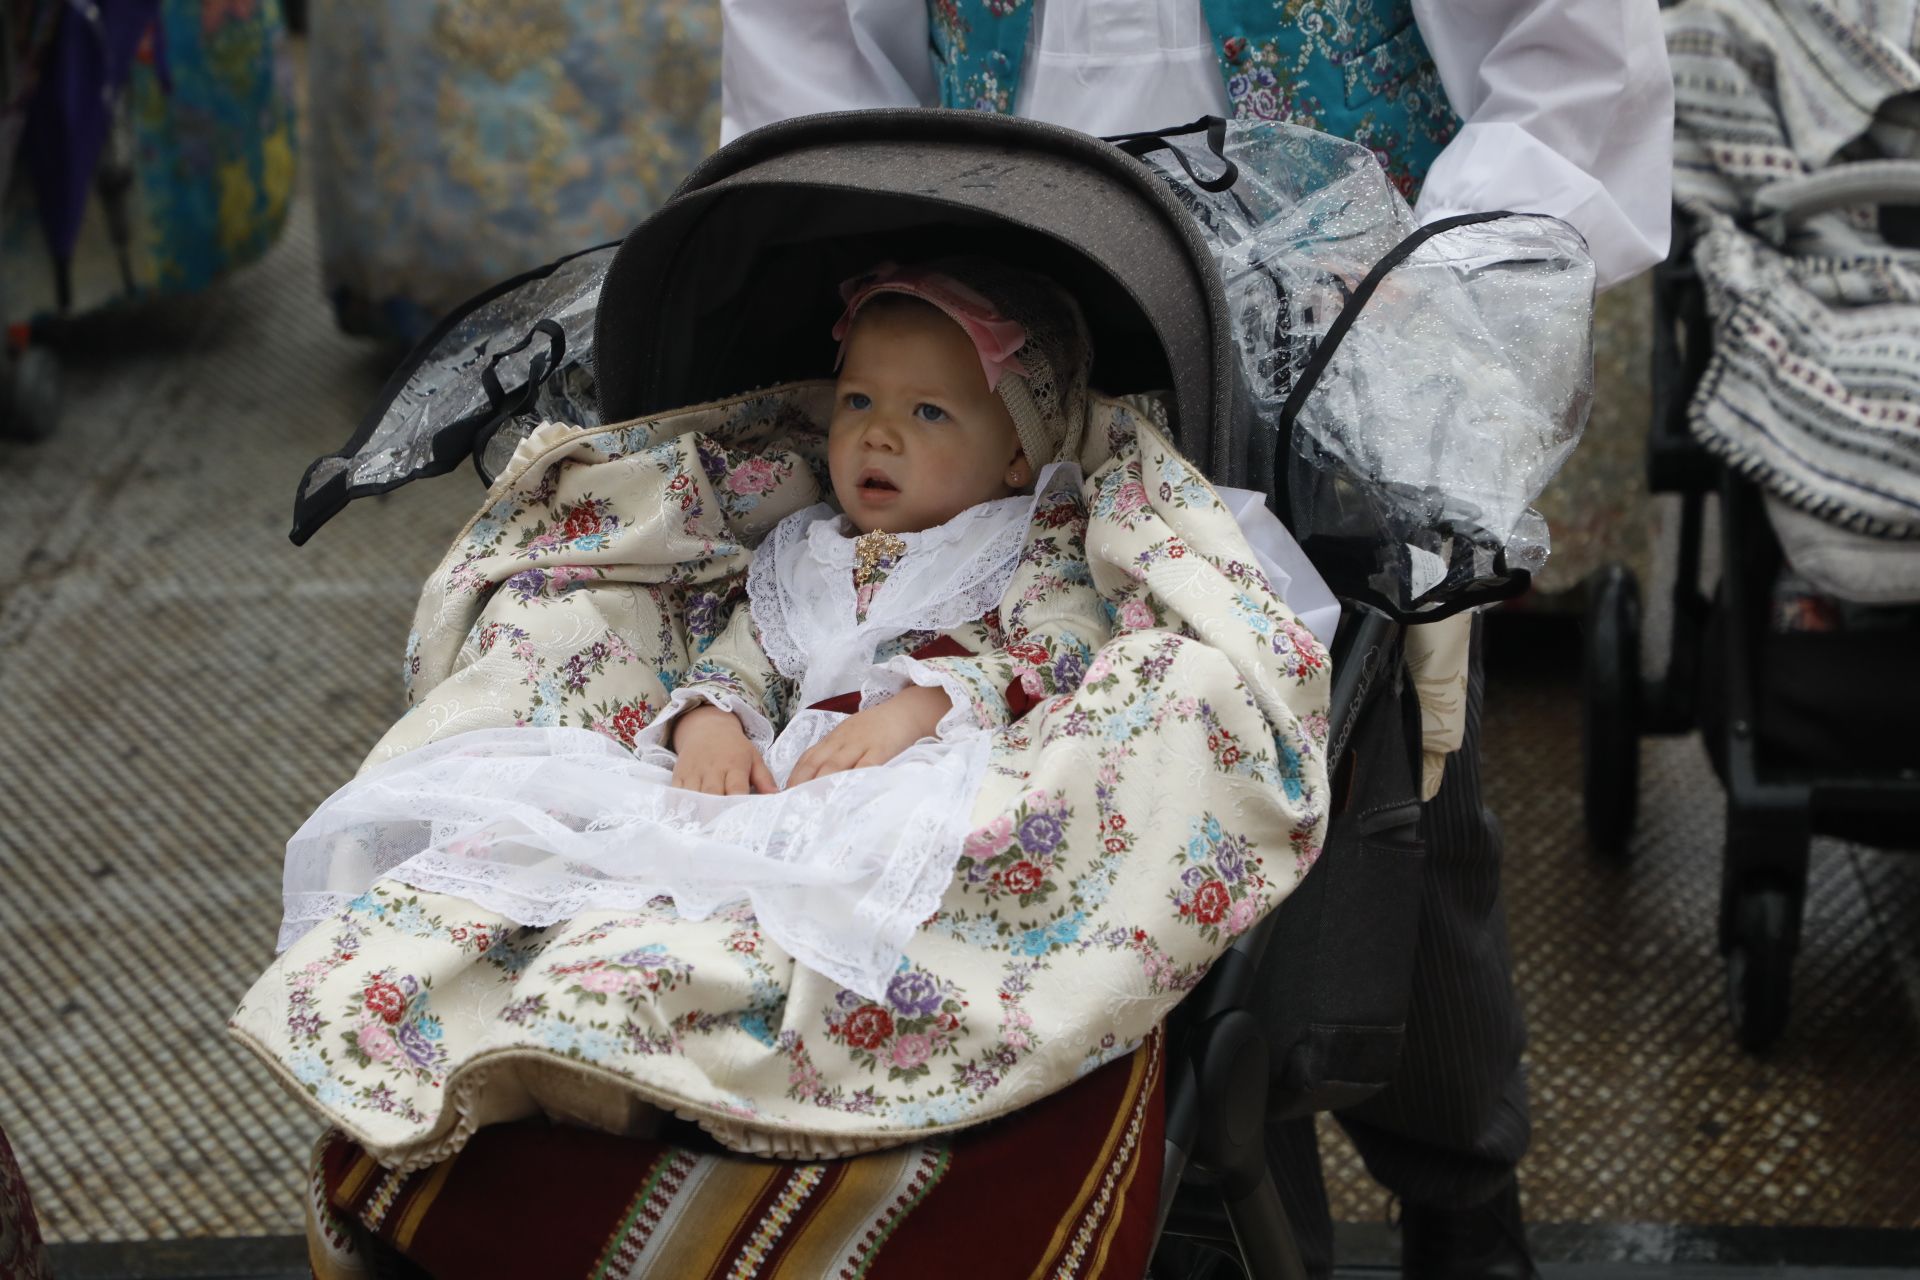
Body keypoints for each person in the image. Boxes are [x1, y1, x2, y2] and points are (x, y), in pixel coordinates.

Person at [716, 2, 1673, 1276]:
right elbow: (815, 66)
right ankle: (1226, 1214)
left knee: (1403, 810)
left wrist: (1422, 303)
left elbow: (1569, 51)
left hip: (1346, 336)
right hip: (1011, 350)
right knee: (1141, 828)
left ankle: (1462, 1184)